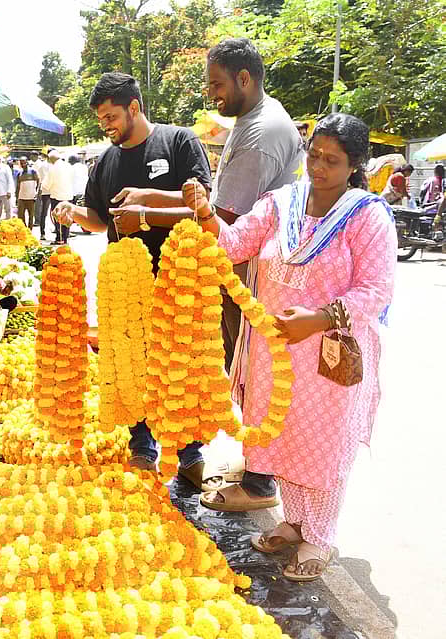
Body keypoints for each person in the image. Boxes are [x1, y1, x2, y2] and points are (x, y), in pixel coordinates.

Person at [181, 113, 396, 581]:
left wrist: (318, 319)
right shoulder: (282, 203)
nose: (318, 167)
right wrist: (205, 214)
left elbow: (376, 290)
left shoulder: (367, 216)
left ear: (354, 165)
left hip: (328, 354)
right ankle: (295, 522)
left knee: (321, 445)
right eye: (313, 155)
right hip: (274, 349)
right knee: (282, 437)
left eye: (331, 161)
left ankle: (319, 536)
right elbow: (234, 245)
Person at [51, 72, 214, 489]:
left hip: (179, 281)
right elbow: (100, 219)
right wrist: (73, 212)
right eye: (101, 119)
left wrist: (146, 202)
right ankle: (143, 447)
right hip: (125, 289)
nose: (105, 125)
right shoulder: (105, 162)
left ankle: (189, 453)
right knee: (131, 365)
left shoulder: (178, 142)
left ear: (134, 108)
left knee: (182, 367)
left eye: (111, 116)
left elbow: (202, 205)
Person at [194, 38, 304, 509]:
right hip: (249, 270)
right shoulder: (254, 119)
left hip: (254, 276)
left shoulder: (261, 133)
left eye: (217, 84)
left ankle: (260, 482)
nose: (212, 94)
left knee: (256, 374)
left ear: (244, 78)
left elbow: (226, 216)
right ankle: (258, 466)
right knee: (247, 372)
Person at [45, 151, 74, 244]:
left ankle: (59, 238)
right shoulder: (68, 166)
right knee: (67, 217)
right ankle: (65, 238)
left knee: (58, 218)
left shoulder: (53, 168)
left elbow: (46, 184)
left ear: (51, 159)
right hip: (68, 195)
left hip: (57, 196)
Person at [14, 156, 39, 229]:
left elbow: (38, 181)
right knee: (20, 215)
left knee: (31, 215)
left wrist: (36, 192)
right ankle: (24, 229)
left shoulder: (33, 171)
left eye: (24, 163)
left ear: (27, 162)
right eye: (21, 163)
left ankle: (30, 230)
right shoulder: (19, 173)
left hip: (31, 197)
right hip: (21, 197)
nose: (22, 164)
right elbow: (18, 186)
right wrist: (16, 197)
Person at [35, 151, 52, 240]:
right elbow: (45, 179)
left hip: (50, 191)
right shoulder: (44, 166)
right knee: (44, 213)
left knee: (46, 213)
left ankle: (57, 232)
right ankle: (43, 233)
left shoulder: (51, 165)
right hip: (48, 191)